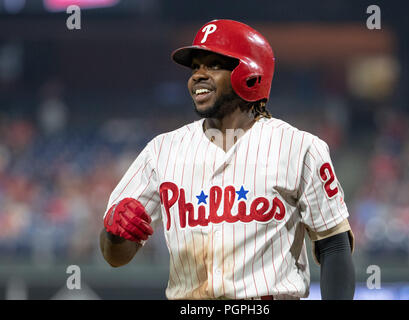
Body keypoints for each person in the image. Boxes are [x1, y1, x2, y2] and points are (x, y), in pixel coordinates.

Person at [99, 19, 355, 300]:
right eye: (195, 66)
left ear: (250, 74)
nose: (198, 75)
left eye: (213, 65)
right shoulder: (161, 150)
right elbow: (116, 257)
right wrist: (113, 233)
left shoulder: (300, 147)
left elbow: (334, 246)